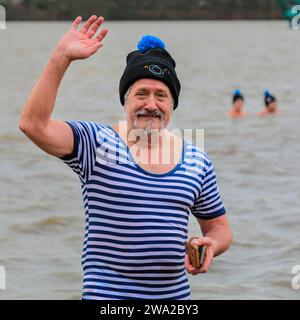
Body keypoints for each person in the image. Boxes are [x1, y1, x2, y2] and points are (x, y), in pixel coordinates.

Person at [19, 15, 233, 300]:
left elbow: (219, 228)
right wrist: (60, 59)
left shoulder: (195, 159)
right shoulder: (95, 143)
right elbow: (34, 125)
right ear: (125, 100)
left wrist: (211, 245)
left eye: (161, 95)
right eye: (141, 93)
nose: (151, 105)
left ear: (173, 104)